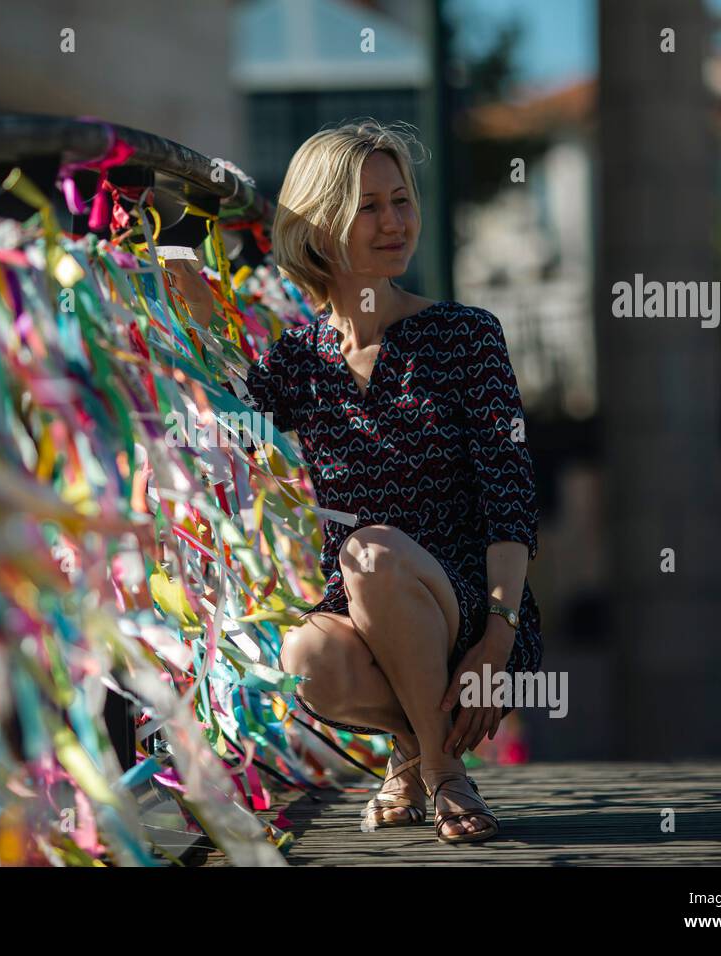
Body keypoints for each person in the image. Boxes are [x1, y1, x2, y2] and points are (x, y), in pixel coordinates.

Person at [163, 119, 542, 844]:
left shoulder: (468, 335)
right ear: (320, 226)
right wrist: (185, 283)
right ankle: (421, 748)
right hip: (365, 613)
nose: (395, 221)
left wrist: (497, 643)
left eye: (400, 200)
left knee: (368, 550)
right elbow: (234, 406)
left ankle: (440, 774)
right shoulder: (302, 357)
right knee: (303, 659)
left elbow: (510, 503)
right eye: (369, 207)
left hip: (475, 608)